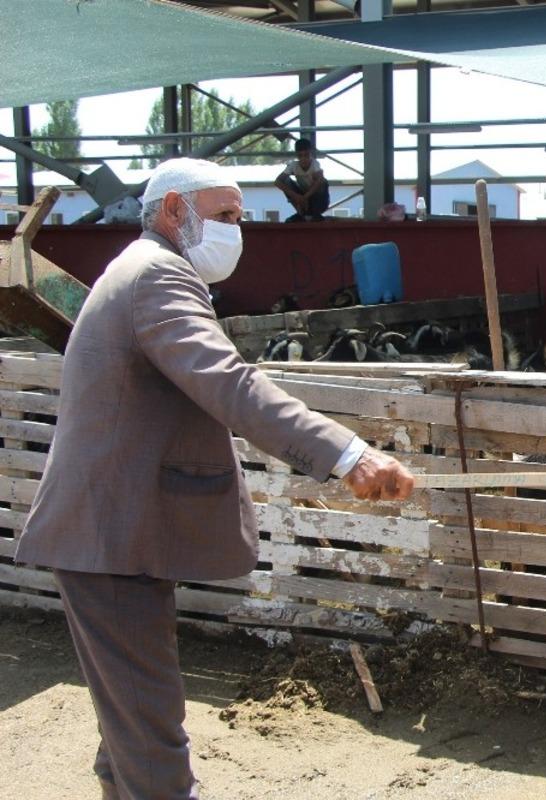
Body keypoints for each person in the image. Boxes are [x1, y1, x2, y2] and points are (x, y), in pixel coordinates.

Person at [14, 157, 414, 799]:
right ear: (174, 210)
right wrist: (347, 455)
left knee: (134, 726)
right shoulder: (156, 277)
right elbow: (229, 381)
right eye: (226, 216)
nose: (237, 230)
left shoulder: (142, 272)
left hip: (114, 533)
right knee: (152, 740)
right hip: (113, 537)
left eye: (239, 217)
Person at [275, 138, 329, 222]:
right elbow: (277, 182)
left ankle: (315, 213)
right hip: (301, 199)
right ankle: (301, 214)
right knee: (285, 181)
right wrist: (296, 196)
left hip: (318, 199)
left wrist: (305, 197)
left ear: (310, 154)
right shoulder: (293, 165)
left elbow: (320, 180)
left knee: (321, 180)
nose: (303, 159)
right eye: (300, 156)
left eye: (306, 155)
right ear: (297, 155)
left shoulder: (315, 164)